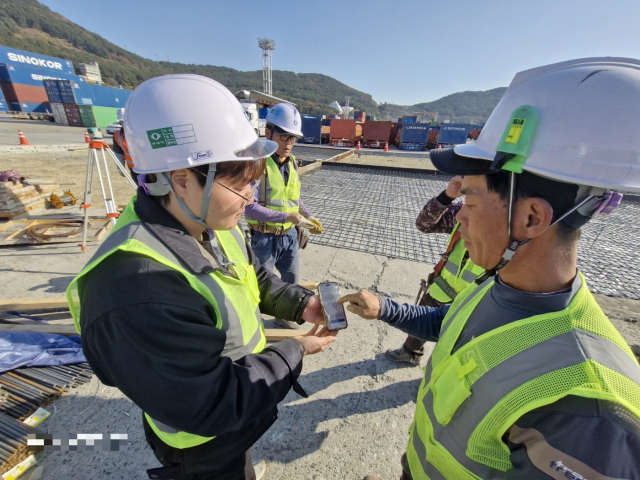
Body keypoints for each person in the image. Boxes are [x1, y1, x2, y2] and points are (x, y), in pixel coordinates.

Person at [341, 58, 640, 479]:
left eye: (473, 202)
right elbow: (452, 323)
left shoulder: (587, 413)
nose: (459, 217)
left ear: (532, 219)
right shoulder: (501, 284)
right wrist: (385, 308)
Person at [66, 75, 337, 480]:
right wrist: (296, 351)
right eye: (241, 184)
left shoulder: (212, 220)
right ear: (180, 179)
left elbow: (253, 277)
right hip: (201, 442)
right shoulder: (138, 289)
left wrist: (301, 303)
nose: (251, 198)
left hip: (237, 420)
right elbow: (212, 401)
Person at [386, 175, 484, 366]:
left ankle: (440, 376)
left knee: (454, 344)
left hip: (471, 301)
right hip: (441, 287)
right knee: (419, 326)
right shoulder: (461, 210)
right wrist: (447, 197)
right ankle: (411, 352)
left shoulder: (507, 227)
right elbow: (424, 224)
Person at [245, 103, 324, 329]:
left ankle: (283, 318)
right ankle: (253, 325)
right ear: (268, 131)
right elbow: (248, 207)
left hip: (289, 237)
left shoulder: (290, 162)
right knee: (262, 286)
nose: (289, 143)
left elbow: (294, 199)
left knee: (291, 281)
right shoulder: (256, 162)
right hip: (264, 238)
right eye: (284, 136)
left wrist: (309, 216)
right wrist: (288, 217)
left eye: (293, 138)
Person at [112, 107, 136, 182]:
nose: (125, 124)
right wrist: (121, 168)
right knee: (141, 189)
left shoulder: (141, 133)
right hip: (134, 169)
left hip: (149, 168)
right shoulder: (117, 135)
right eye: (123, 122)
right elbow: (119, 153)